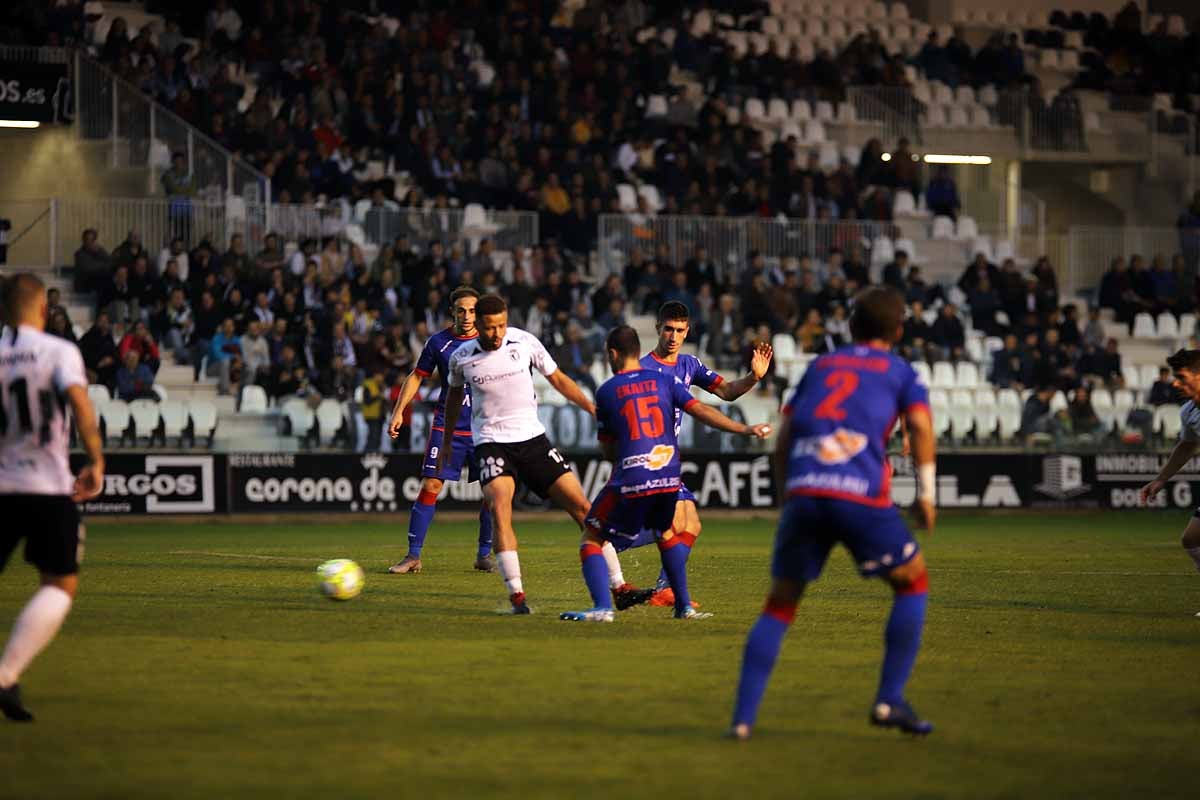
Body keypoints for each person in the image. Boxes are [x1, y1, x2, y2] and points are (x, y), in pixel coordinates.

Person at [730, 286, 937, 740]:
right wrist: (926, 493)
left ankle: (742, 721)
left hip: (806, 494)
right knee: (912, 581)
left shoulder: (820, 366)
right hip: (860, 494)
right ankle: (888, 700)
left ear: (851, 327)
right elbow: (920, 425)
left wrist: (790, 502)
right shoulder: (899, 370)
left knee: (780, 605)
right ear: (898, 329)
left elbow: (784, 441)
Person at [437, 294, 650, 614]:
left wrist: (591, 407)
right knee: (499, 508)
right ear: (478, 324)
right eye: (490, 327)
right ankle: (517, 596)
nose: (497, 333)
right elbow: (453, 400)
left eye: (501, 325)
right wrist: (448, 440)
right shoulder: (461, 357)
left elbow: (558, 379)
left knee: (584, 508)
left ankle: (619, 585)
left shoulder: (524, 342)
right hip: (492, 444)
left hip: (534, 440)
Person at [560, 326, 770, 623]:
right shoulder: (663, 381)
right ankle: (683, 606)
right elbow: (701, 411)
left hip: (633, 470)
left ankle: (602, 607)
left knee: (591, 536)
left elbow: (608, 452)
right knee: (670, 532)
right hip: (669, 472)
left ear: (612, 354)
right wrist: (746, 429)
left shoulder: (607, 390)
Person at [0, 273, 105, 721]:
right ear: (43, 308)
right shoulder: (60, 351)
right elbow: (80, 405)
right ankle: (5, 674)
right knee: (59, 584)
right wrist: (96, 460)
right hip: (47, 486)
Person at [636, 301, 774, 608]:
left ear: (687, 332)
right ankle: (605, 545)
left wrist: (753, 377)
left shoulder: (690, 365)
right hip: (648, 458)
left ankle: (661, 587)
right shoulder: (643, 369)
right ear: (659, 329)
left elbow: (726, 392)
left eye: (679, 331)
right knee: (677, 525)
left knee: (690, 525)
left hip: (667, 460)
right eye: (668, 329)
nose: (673, 336)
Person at [387, 287, 496, 574]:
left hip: (484, 428)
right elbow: (417, 376)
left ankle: (484, 554)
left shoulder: (493, 339)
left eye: (473, 310)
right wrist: (399, 411)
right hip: (447, 427)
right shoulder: (439, 343)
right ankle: (413, 556)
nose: (467, 316)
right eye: (461, 310)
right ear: (452, 312)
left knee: (493, 492)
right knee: (431, 486)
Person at [1140, 349, 1200, 617]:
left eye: (1182, 377)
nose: (1175, 383)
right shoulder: (1189, 412)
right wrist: (1161, 479)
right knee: (1191, 539)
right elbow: (1187, 445)